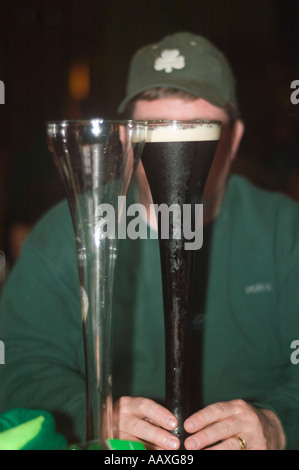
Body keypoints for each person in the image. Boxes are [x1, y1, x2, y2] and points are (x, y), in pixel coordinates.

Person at [0, 31, 299, 450]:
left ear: (233, 141)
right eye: (154, 127)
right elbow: (16, 361)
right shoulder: (66, 231)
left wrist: (279, 424)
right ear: (125, 138)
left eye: (197, 128)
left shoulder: (284, 231)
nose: (173, 143)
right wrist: (93, 413)